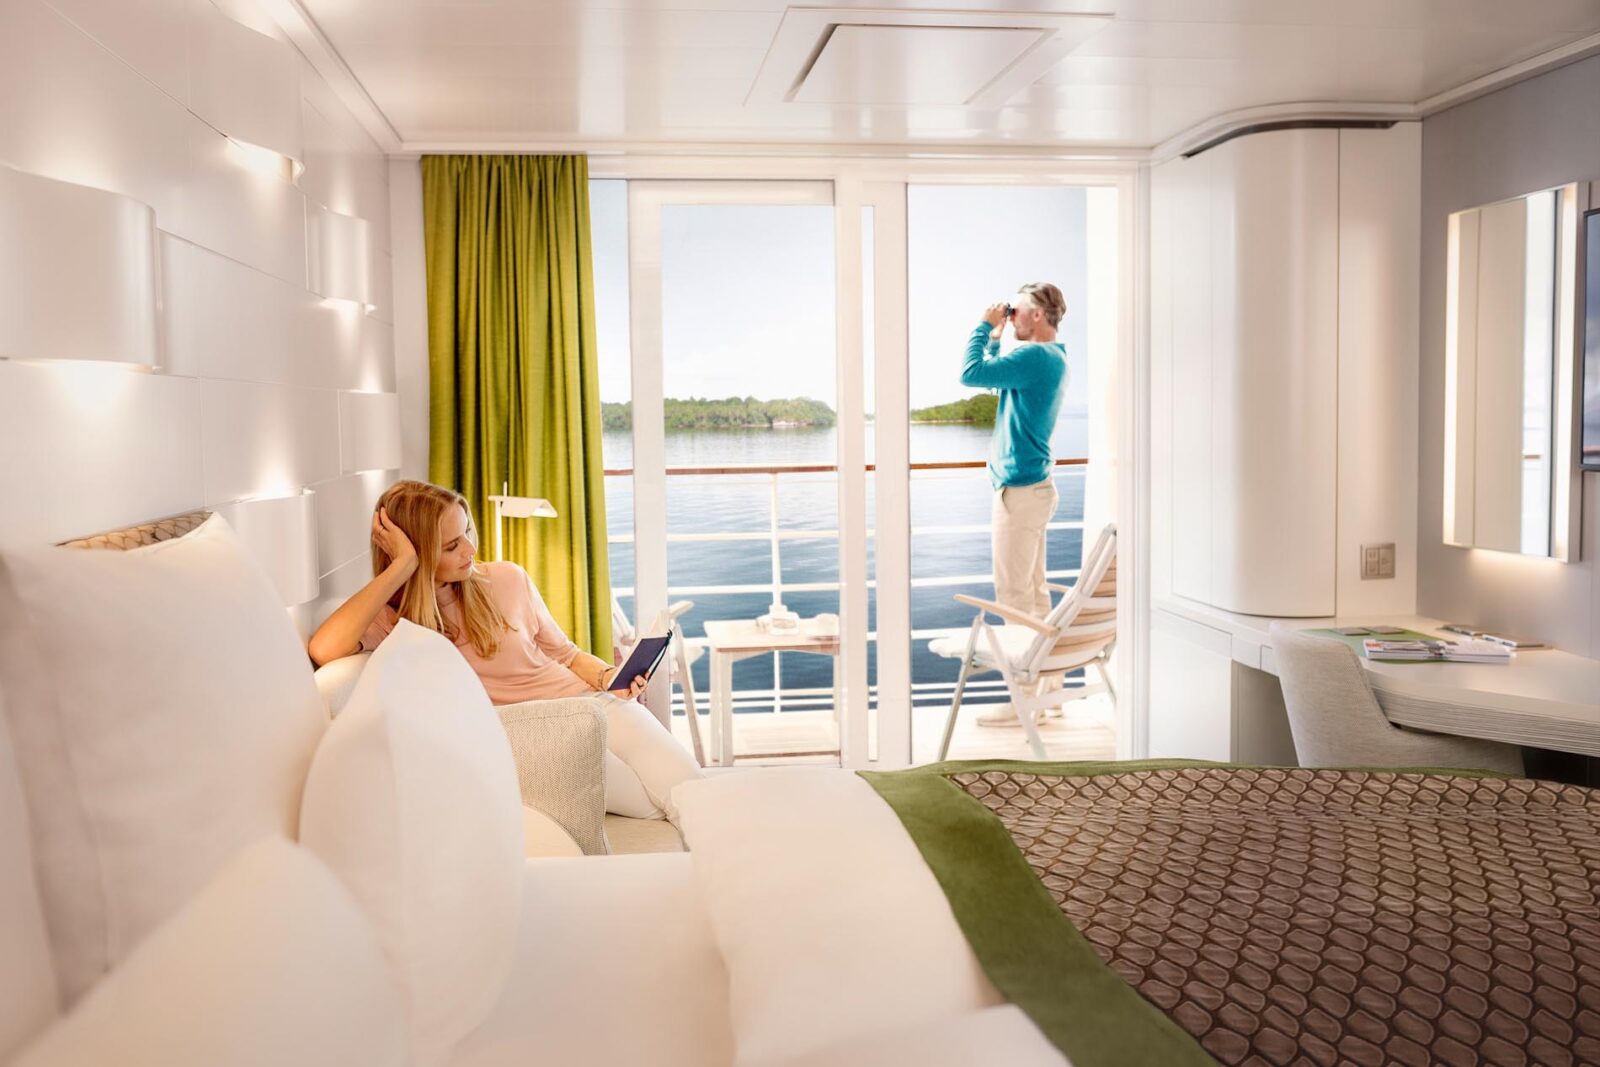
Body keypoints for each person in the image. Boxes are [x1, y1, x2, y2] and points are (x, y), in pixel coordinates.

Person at [308, 479, 699, 821]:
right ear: (418, 554)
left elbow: (565, 654)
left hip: (593, 703)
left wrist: (608, 677)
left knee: (690, 787)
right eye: (451, 545)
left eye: (467, 532)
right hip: (538, 735)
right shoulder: (392, 621)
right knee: (655, 808)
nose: (470, 549)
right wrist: (402, 565)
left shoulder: (508, 578)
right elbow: (324, 649)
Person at [961, 283, 1069, 726]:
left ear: (1038, 315)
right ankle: (1049, 693)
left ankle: (1023, 700)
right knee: (1036, 597)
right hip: (1034, 489)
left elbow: (972, 374)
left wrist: (983, 327)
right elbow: (994, 380)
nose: (1011, 317)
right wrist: (997, 336)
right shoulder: (1051, 357)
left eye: (1017, 311)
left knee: (1014, 598)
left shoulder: (1034, 357)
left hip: (1020, 494)